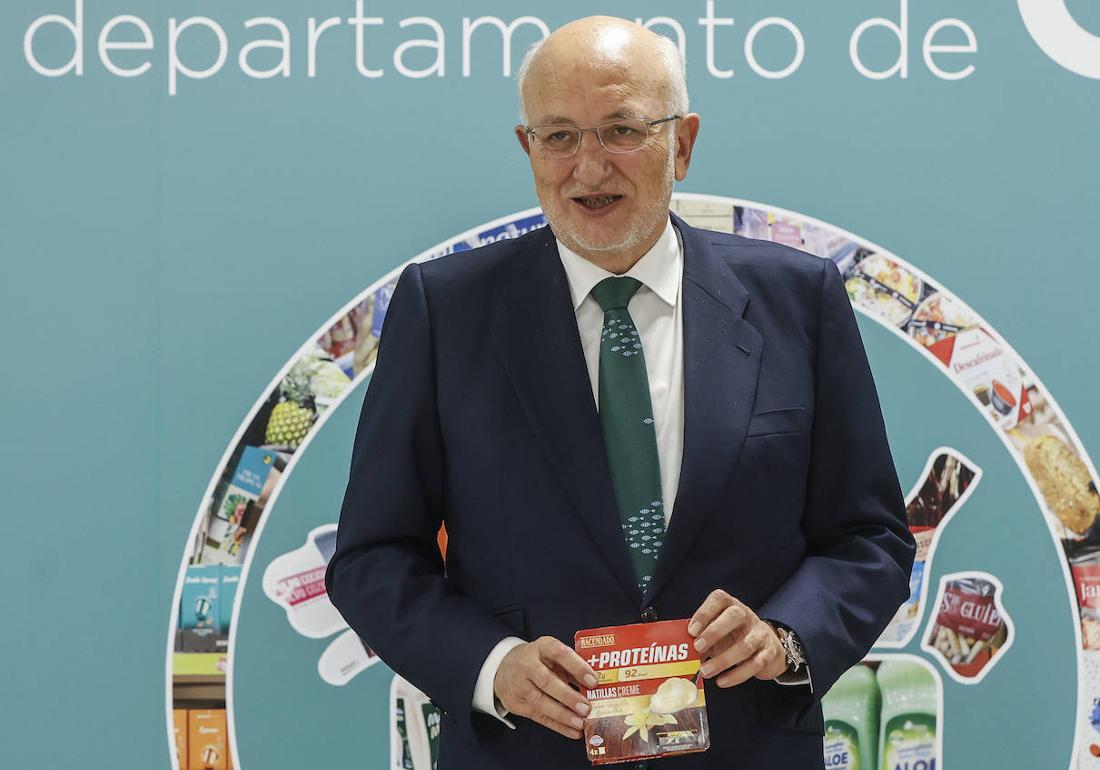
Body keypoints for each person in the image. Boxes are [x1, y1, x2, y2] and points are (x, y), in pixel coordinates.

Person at [325, 15, 915, 770]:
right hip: (529, 753)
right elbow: (373, 556)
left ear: (683, 144)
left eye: (622, 130)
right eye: (559, 136)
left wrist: (786, 638)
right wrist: (491, 665)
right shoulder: (446, 312)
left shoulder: (798, 301)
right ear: (528, 148)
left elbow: (870, 539)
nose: (589, 165)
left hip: (747, 747)